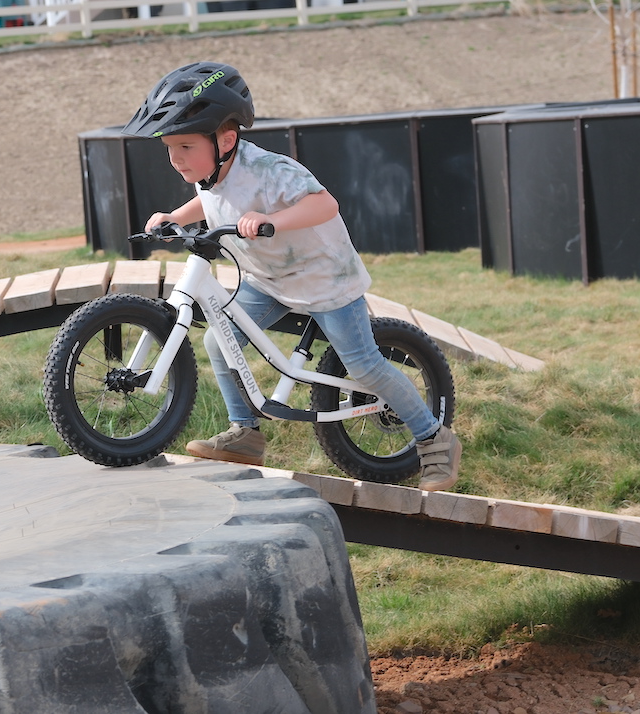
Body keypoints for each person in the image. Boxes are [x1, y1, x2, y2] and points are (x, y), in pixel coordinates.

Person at [122, 62, 461, 491]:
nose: (175, 158)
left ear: (225, 140)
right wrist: (175, 216)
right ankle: (245, 433)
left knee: (364, 365)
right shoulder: (210, 172)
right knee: (218, 341)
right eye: (169, 147)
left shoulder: (271, 171)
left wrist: (272, 219)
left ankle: (434, 439)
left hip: (325, 280)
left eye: (185, 146)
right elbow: (209, 201)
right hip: (270, 281)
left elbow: (326, 205)